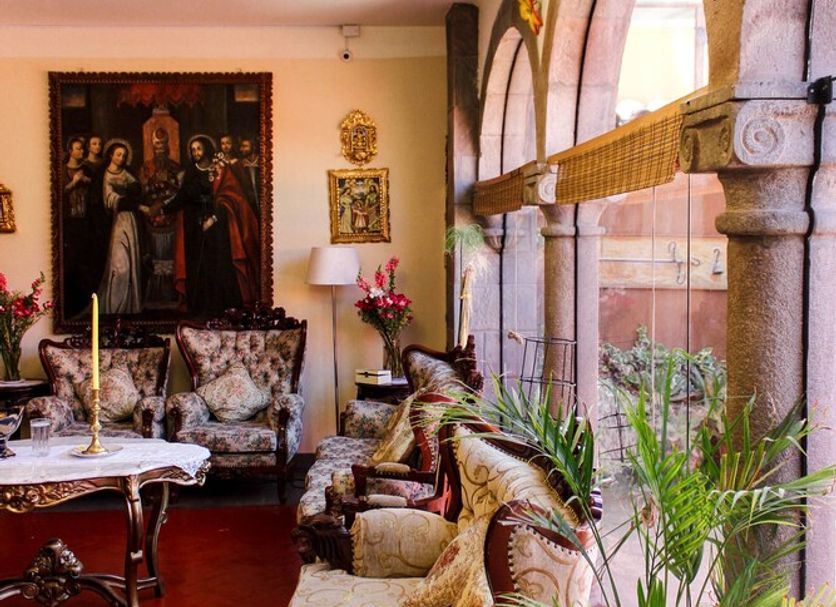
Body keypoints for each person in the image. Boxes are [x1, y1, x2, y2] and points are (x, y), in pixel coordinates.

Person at [160, 135, 259, 316]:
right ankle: (199, 308)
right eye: (193, 150)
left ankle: (221, 308)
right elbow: (183, 197)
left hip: (218, 226)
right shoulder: (191, 171)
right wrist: (162, 210)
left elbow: (230, 196)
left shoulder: (220, 168)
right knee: (197, 265)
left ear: (206, 148)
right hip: (194, 226)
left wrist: (213, 218)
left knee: (217, 265)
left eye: (198, 148)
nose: (196, 152)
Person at [95, 141, 151, 315]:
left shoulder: (126, 174)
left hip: (130, 222)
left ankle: (128, 307)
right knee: (120, 266)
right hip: (115, 223)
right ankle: (114, 307)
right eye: (118, 154)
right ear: (111, 155)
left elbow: (137, 189)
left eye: (124, 156)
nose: (121, 158)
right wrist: (136, 204)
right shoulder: (105, 175)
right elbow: (111, 200)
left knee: (131, 263)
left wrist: (136, 191)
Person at [139, 127, 183, 308]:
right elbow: (142, 191)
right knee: (155, 255)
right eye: (157, 145)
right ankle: (155, 294)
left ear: (167, 146)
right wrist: (152, 185)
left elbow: (180, 192)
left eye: (162, 145)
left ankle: (171, 293)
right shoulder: (145, 167)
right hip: (152, 217)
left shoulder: (176, 167)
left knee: (170, 255)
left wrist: (168, 184)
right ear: (153, 146)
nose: (160, 149)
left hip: (170, 217)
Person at [238, 136, 260, 214]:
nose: (241, 149)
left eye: (245, 146)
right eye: (241, 147)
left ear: (254, 147)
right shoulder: (240, 165)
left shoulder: (262, 162)